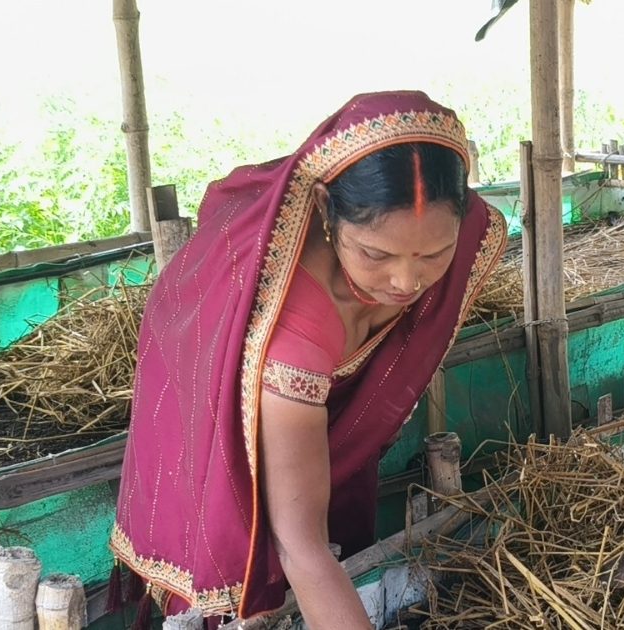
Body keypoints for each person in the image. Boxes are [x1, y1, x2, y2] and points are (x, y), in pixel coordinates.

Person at [109, 90, 507, 629]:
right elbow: (301, 547)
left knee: (329, 511)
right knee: (253, 546)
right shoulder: (293, 329)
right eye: (375, 254)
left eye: (434, 254)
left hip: (307, 388)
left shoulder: (461, 230)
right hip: (209, 382)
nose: (406, 281)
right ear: (323, 208)